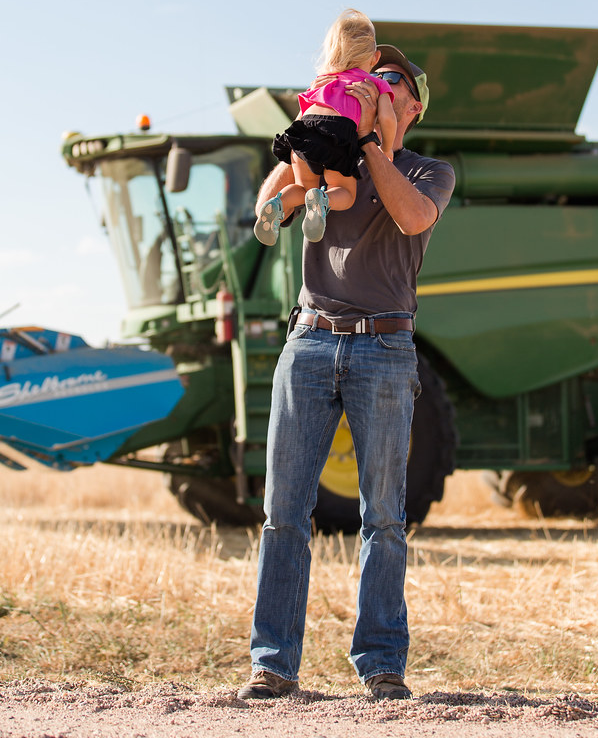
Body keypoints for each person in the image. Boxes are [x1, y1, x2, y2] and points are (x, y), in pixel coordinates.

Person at [238, 36, 456, 702]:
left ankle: (381, 664)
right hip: (309, 341)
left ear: (412, 106)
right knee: (282, 512)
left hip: (384, 349)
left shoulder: (428, 171)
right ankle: (273, 664)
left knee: (383, 517)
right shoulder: (327, 158)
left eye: (390, 80)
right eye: (367, 74)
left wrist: (370, 143)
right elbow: (269, 207)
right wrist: (311, 134)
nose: (373, 82)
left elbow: (412, 217)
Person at [254, 10, 397, 246]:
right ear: (375, 58)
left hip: (302, 134)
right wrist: (387, 148)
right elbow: (388, 119)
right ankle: (323, 200)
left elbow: (302, 115)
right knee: (344, 191)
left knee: (302, 188)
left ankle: (278, 203)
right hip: (337, 134)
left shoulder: (322, 82)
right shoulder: (374, 83)